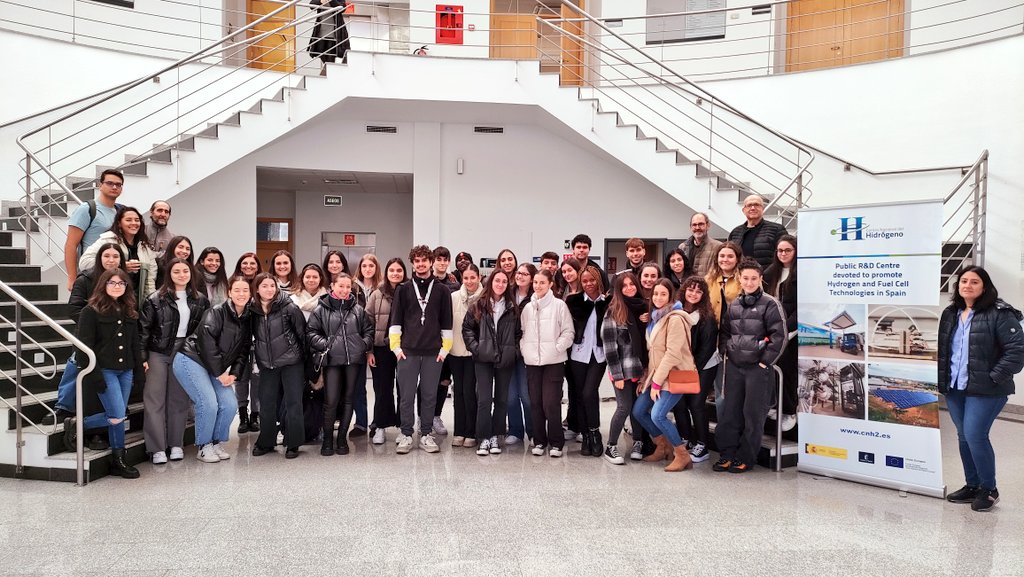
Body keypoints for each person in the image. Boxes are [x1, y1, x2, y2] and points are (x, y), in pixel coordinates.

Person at [938, 266, 1024, 512]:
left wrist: (993, 377)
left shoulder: (1000, 313)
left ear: (984, 287)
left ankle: (989, 489)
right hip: (955, 386)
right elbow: (945, 351)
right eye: (963, 281)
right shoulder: (951, 313)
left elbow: (1017, 351)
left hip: (987, 389)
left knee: (975, 435)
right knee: (964, 436)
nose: (967, 285)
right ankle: (972, 485)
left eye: (974, 282)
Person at [50, 243, 126, 451]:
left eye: (116, 256)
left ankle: (96, 428)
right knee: (77, 364)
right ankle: (63, 406)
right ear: (99, 257)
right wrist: (94, 324)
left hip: (114, 342)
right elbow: (74, 308)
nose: (111, 260)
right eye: (107, 255)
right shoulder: (85, 279)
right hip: (89, 337)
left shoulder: (123, 280)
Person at [714, 258, 787, 474]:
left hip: (757, 369)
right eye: (745, 278)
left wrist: (765, 362)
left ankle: (745, 457)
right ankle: (727, 454)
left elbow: (780, 337)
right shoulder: (735, 304)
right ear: (739, 279)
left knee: (752, 415)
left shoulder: (771, 304)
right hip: (735, 367)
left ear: (760, 279)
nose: (749, 282)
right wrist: (726, 350)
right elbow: (725, 331)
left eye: (754, 278)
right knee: (730, 413)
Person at [72, 268, 145, 478]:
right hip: (105, 370)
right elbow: (84, 348)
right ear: (103, 285)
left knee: (117, 415)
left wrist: (139, 373)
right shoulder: (91, 311)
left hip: (126, 371)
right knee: (117, 415)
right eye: (112, 283)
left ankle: (117, 458)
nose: (116, 287)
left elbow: (134, 344)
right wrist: (95, 376)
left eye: (121, 283)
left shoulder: (129, 310)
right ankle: (80, 425)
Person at [172, 276, 252, 464]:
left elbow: (243, 351)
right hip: (191, 359)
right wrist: (220, 373)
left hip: (215, 367)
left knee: (229, 404)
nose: (241, 294)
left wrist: (234, 374)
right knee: (208, 403)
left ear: (250, 294)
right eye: (237, 290)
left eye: (245, 290)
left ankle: (216, 442)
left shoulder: (247, 318)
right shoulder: (216, 312)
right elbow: (207, 344)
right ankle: (204, 446)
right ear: (229, 292)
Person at [140, 257, 210, 464]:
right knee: (154, 400)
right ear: (169, 274)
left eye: (185, 271)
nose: (181, 275)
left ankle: (176, 444)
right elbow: (143, 330)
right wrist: (142, 357)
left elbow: (204, 331)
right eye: (176, 271)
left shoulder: (200, 300)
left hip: (185, 352)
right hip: (158, 352)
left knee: (179, 400)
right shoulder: (154, 299)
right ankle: (157, 448)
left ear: (191, 274)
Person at [388, 245, 454, 454]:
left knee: (429, 395)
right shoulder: (403, 289)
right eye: (417, 261)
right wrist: (396, 348)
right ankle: (406, 433)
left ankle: (426, 433)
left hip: (433, 353)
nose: (421, 264)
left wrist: (444, 351)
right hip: (407, 351)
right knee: (406, 396)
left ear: (431, 262)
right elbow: (395, 320)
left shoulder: (442, 290)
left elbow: (447, 322)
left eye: (424, 260)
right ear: (412, 263)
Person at [632, 279, 695, 472]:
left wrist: (657, 383)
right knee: (639, 411)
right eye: (656, 294)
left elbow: (672, 354)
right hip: (656, 375)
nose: (658, 298)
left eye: (663, 294)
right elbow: (654, 353)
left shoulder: (675, 319)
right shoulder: (655, 318)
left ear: (670, 296)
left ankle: (682, 454)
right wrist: (647, 379)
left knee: (658, 415)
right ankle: (663, 446)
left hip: (674, 375)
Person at [307, 273, 374, 456]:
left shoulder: (358, 310)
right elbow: (311, 332)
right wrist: (326, 344)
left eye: (348, 287)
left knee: (349, 399)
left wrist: (362, 345)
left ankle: (342, 438)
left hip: (353, 361)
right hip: (332, 362)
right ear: (332, 286)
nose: (345, 290)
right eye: (341, 286)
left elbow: (368, 331)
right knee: (331, 401)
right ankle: (328, 439)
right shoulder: (321, 309)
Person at [249, 272, 308, 459]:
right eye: (264, 286)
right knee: (266, 403)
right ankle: (266, 441)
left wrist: (307, 363)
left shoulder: (289, 307)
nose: (269, 290)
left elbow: (303, 335)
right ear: (257, 289)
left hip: (292, 362)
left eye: (272, 286)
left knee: (293, 403)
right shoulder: (253, 310)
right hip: (267, 364)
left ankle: (293, 442)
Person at [463, 270, 520, 455]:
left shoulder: (512, 307)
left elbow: (519, 334)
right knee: (484, 399)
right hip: (483, 359)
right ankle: (484, 437)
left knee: (502, 400)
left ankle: (496, 435)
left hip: (505, 359)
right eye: (497, 280)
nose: (500, 284)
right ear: (490, 282)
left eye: (504, 281)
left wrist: (514, 352)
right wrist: (477, 349)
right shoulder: (478, 305)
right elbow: (467, 330)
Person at [520, 270, 574, 458]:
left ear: (550, 284)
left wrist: (557, 348)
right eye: (535, 282)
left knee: (551, 403)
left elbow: (568, 332)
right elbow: (522, 332)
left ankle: (556, 442)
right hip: (532, 363)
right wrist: (525, 350)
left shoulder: (559, 305)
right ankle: (539, 441)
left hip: (554, 362)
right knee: (535, 402)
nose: (538, 286)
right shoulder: (528, 308)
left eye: (542, 282)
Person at [670, 276, 719, 463]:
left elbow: (706, 350)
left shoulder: (707, 318)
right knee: (679, 403)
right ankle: (685, 438)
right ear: (684, 290)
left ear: (703, 295)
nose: (693, 294)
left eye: (699, 291)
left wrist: (690, 371)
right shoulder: (675, 311)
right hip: (682, 364)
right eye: (691, 290)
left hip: (703, 365)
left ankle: (702, 445)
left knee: (696, 404)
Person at [600, 272, 646, 464]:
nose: (629, 288)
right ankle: (611, 446)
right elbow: (609, 347)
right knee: (624, 407)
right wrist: (617, 375)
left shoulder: (644, 308)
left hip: (640, 370)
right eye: (624, 286)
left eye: (632, 284)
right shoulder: (613, 311)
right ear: (618, 290)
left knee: (637, 408)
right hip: (622, 370)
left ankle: (638, 442)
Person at [566, 265, 608, 457]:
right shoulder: (573, 301)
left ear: (598, 280)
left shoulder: (608, 302)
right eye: (585, 281)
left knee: (589, 392)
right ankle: (585, 435)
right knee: (579, 395)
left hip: (599, 355)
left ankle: (595, 432)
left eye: (592, 280)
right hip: (578, 354)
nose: (589, 284)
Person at [365, 258, 406, 444]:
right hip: (381, 348)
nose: (395, 273)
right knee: (382, 389)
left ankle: (403, 427)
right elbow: (367, 323)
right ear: (386, 273)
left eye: (399, 270)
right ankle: (380, 426)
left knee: (404, 389)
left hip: (404, 349)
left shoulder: (410, 291)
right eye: (392, 270)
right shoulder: (377, 294)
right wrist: (369, 351)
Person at [79, 206, 158, 301]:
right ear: (119, 223)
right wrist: (119, 266)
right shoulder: (107, 240)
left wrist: (151, 302)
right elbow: (84, 262)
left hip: (136, 301)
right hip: (109, 299)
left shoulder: (145, 247)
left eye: (137, 220)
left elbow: (150, 280)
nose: (134, 223)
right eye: (128, 220)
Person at [64, 169, 123, 291]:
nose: (114, 187)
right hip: (91, 274)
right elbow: (71, 245)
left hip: (115, 276)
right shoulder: (87, 209)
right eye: (110, 183)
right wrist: (72, 277)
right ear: (100, 185)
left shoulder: (121, 211)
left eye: (118, 184)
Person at [762, 235, 798, 432]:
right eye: (780, 250)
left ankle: (790, 411)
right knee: (771, 368)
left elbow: (799, 306)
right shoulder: (770, 273)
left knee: (787, 370)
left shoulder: (801, 273)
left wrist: (786, 329)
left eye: (787, 250)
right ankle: (776, 405)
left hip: (792, 330)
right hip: (773, 328)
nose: (783, 254)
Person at [448, 264, 483, 448]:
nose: (469, 281)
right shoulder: (453, 297)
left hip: (474, 353)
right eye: (466, 278)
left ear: (479, 277)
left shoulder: (484, 297)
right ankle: (459, 431)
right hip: (455, 351)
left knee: (470, 391)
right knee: (458, 391)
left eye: (472, 277)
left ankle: (471, 431)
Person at [428, 246, 460, 436]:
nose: (442, 263)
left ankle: (435, 416)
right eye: (438, 259)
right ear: (433, 261)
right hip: (430, 340)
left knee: (444, 381)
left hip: (449, 340)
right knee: (428, 382)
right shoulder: (427, 281)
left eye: (445, 259)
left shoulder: (455, 284)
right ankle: (424, 416)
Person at [506, 263, 537, 445]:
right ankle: (515, 431)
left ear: (532, 278)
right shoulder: (508, 294)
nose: (520, 276)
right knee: (510, 396)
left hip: (527, 352)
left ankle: (533, 432)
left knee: (526, 395)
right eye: (519, 273)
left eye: (525, 274)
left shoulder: (535, 297)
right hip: (508, 351)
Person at [232, 251, 262, 433]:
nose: (248, 266)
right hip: (239, 341)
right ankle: (243, 415)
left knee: (257, 379)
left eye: (252, 263)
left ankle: (255, 415)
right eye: (245, 263)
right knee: (241, 378)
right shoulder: (234, 283)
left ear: (258, 266)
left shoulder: (262, 284)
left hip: (259, 341)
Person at [727, 195, 788, 269]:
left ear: (762, 208)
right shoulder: (735, 233)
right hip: (740, 275)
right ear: (744, 210)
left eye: (756, 205)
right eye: (749, 205)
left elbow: (786, 256)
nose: (753, 208)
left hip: (768, 275)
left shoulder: (777, 229)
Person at [308, 0, 350, 75]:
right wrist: (320, 1)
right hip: (320, 32)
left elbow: (342, 8)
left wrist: (330, 1)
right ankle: (329, 73)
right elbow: (312, 5)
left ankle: (330, 74)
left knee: (331, 57)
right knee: (321, 54)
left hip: (333, 32)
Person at [706, 242, 742, 323]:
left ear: (737, 259)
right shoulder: (708, 279)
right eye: (722, 256)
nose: (725, 260)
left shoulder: (745, 279)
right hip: (713, 326)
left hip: (737, 326)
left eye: (730, 256)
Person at [680, 212, 721, 278]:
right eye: (694, 225)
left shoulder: (718, 247)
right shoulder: (683, 247)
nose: (697, 228)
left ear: (708, 226)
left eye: (701, 224)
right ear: (690, 227)